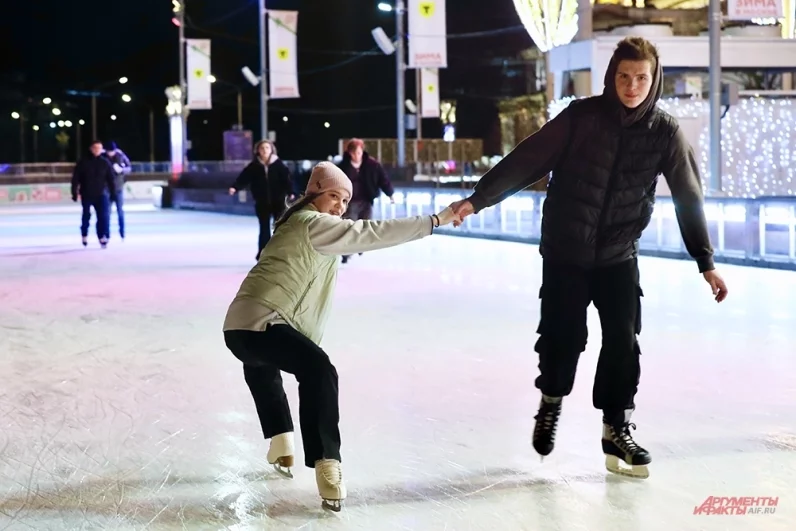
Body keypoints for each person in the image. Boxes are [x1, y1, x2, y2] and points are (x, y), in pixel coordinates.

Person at [450, 37, 729, 479]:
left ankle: (616, 427)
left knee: (623, 338)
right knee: (564, 337)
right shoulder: (581, 118)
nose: (632, 86)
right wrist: (477, 199)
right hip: (566, 250)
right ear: (611, 76)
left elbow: (687, 196)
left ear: (653, 79)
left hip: (619, 253)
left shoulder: (665, 132)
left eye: (641, 78)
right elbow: (528, 159)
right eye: (623, 76)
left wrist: (705, 260)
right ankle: (551, 401)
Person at [223, 162, 458, 511]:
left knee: (262, 363)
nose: (340, 206)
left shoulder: (293, 223)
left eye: (346, 200)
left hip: (239, 327)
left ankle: (281, 442)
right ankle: (327, 464)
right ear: (315, 192)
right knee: (318, 370)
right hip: (264, 319)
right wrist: (433, 221)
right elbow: (373, 233)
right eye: (334, 195)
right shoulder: (312, 224)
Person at [229, 140, 294, 260]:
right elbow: (244, 178)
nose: (264, 150)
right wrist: (235, 187)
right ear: (258, 151)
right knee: (264, 227)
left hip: (278, 201)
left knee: (279, 227)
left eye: (267, 148)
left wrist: (291, 192)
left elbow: (287, 179)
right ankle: (263, 253)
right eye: (262, 148)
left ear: (271, 150)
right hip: (262, 202)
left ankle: (279, 251)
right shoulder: (254, 166)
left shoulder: (278, 164)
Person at [336, 138, 395, 263]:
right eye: (354, 153)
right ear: (350, 153)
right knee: (350, 226)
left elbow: (383, 179)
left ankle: (361, 246)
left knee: (364, 225)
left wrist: (390, 194)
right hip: (350, 202)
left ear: (362, 152)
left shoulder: (372, 165)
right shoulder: (343, 166)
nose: (357, 156)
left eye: (359, 153)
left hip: (366, 200)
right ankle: (346, 253)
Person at [71, 140, 116, 248]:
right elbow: (75, 178)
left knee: (103, 216)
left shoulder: (105, 163)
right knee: (86, 215)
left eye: (99, 148)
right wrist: (74, 192)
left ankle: (102, 236)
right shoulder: (83, 162)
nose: (97, 150)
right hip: (86, 193)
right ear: (91, 149)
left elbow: (111, 179)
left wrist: (113, 193)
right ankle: (84, 234)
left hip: (101, 194)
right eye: (95, 148)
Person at [102, 141, 132, 241]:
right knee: (107, 212)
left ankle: (122, 232)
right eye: (109, 151)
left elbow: (129, 168)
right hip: (106, 189)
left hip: (118, 188)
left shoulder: (121, 156)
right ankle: (106, 234)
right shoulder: (103, 157)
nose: (111, 153)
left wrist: (121, 170)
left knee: (120, 211)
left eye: (112, 151)